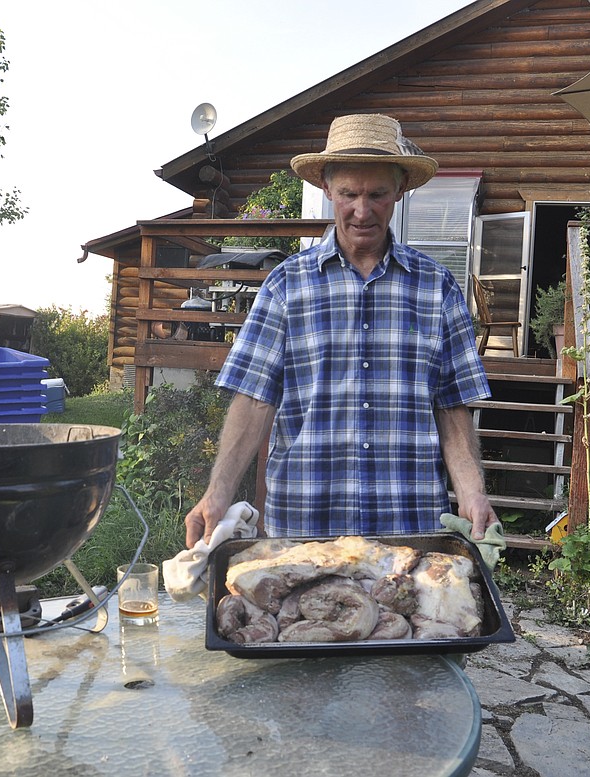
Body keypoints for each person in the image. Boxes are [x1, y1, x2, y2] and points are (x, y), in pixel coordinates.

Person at [183, 113, 498, 549]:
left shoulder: (437, 286)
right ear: (326, 189)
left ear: (400, 191)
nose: (362, 211)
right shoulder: (286, 284)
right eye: (348, 194)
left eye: (377, 195)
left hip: (407, 528)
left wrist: (472, 493)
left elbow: (452, 407)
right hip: (305, 527)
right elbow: (254, 399)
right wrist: (217, 494)